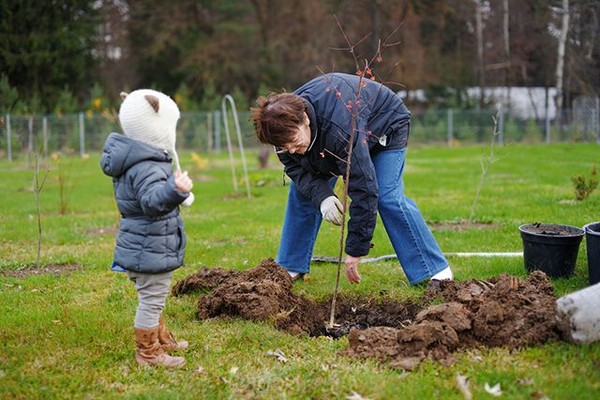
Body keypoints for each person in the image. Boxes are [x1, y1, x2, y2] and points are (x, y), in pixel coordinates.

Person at [250, 72, 452, 287]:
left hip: (385, 126)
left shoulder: (341, 128)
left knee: (387, 196)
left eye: (292, 142)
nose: (291, 150)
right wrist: (323, 197)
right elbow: (298, 171)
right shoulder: (280, 132)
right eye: (283, 147)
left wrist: (355, 249)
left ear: (305, 119)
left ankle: (436, 271)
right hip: (329, 138)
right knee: (302, 193)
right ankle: (291, 266)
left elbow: (363, 186)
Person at [100, 89, 195, 368]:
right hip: (149, 247)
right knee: (151, 300)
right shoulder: (147, 167)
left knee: (155, 295)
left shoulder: (138, 161)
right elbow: (152, 203)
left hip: (145, 244)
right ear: (158, 128)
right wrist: (175, 190)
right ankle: (148, 353)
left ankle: (160, 338)